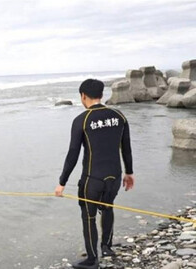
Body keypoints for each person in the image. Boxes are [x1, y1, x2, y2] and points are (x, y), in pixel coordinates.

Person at [54, 79, 135, 269]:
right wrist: (129, 173)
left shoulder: (81, 120)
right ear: (102, 95)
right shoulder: (119, 116)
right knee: (108, 207)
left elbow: (73, 154)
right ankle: (106, 246)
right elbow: (127, 148)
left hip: (92, 179)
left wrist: (62, 182)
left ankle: (92, 259)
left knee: (88, 216)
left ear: (83, 96)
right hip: (115, 177)